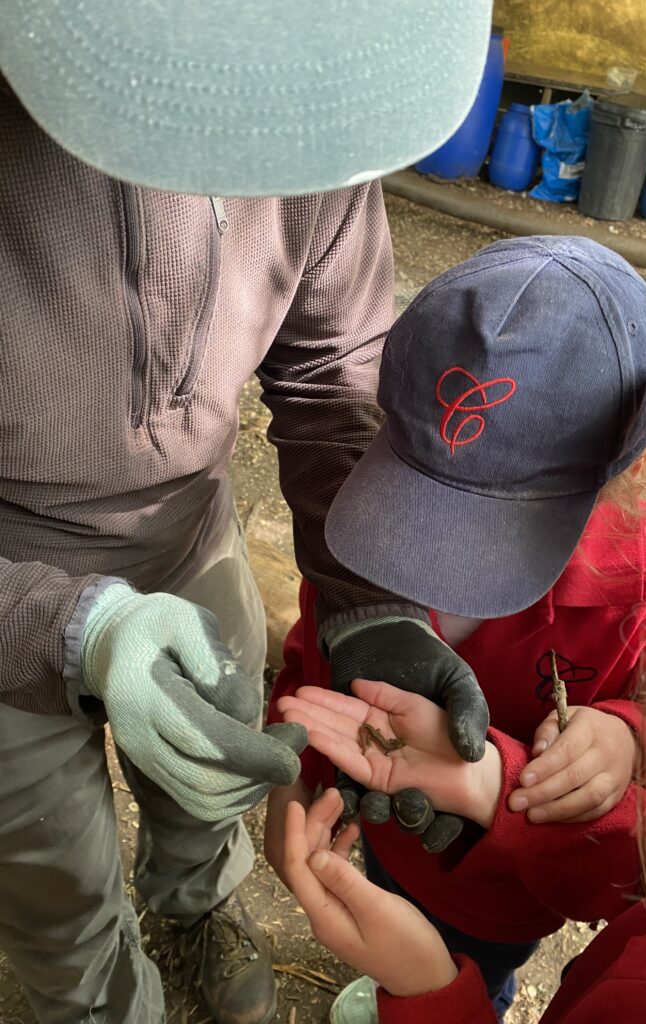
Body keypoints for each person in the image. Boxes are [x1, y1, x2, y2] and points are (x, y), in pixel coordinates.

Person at [0, 3, 496, 1023]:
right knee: (49, 868)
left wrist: (369, 603)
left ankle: (192, 910)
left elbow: (330, 372)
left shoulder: (323, 93)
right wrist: (77, 629)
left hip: (190, 528)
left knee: (215, 780)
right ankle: (95, 998)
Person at [266, 237, 646, 1020]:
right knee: (387, 917)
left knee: (479, 971)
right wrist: (296, 775)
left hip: (509, 894)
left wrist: (632, 734)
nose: (436, 564)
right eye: (414, 506)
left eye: (496, 532)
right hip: (386, 833)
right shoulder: (363, 517)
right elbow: (319, 650)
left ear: (630, 469)